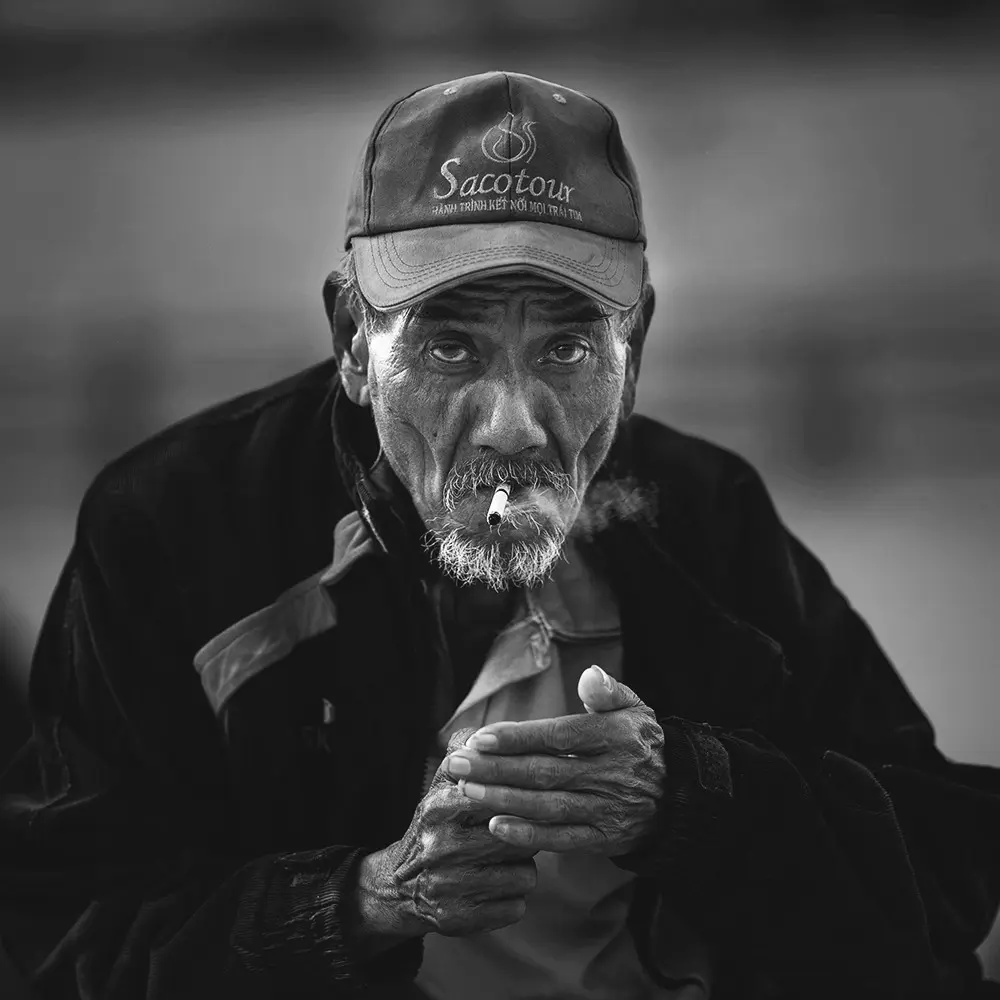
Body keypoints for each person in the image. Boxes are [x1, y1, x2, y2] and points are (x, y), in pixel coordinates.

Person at [0, 71, 998, 1000]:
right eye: (449, 346)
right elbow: (52, 937)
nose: (513, 425)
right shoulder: (177, 528)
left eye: (566, 347)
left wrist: (688, 798)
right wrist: (359, 901)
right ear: (353, 342)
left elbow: (946, 867)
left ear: (635, 347)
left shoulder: (704, 517)